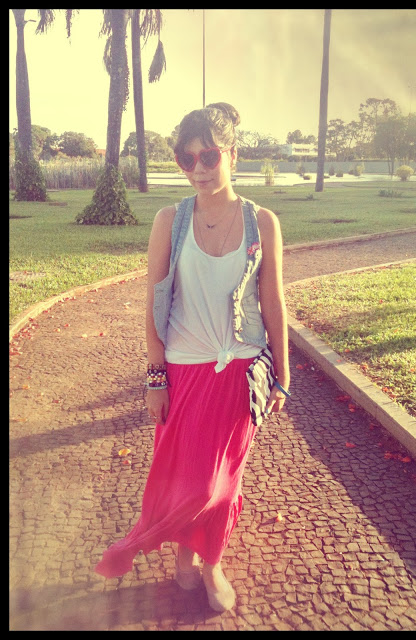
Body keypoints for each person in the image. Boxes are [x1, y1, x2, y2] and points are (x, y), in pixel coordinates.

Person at [95, 102, 290, 612]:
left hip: (241, 372)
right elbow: (154, 302)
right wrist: (155, 378)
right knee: (189, 480)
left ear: (233, 154)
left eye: (208, 156)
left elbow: (273, 302)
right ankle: (185, 554)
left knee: (222, 482)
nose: (198, 169)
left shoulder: (262, 223)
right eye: (187, 158)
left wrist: (283, 376)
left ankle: (211, 562)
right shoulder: (170, 221)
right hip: (183, 372)